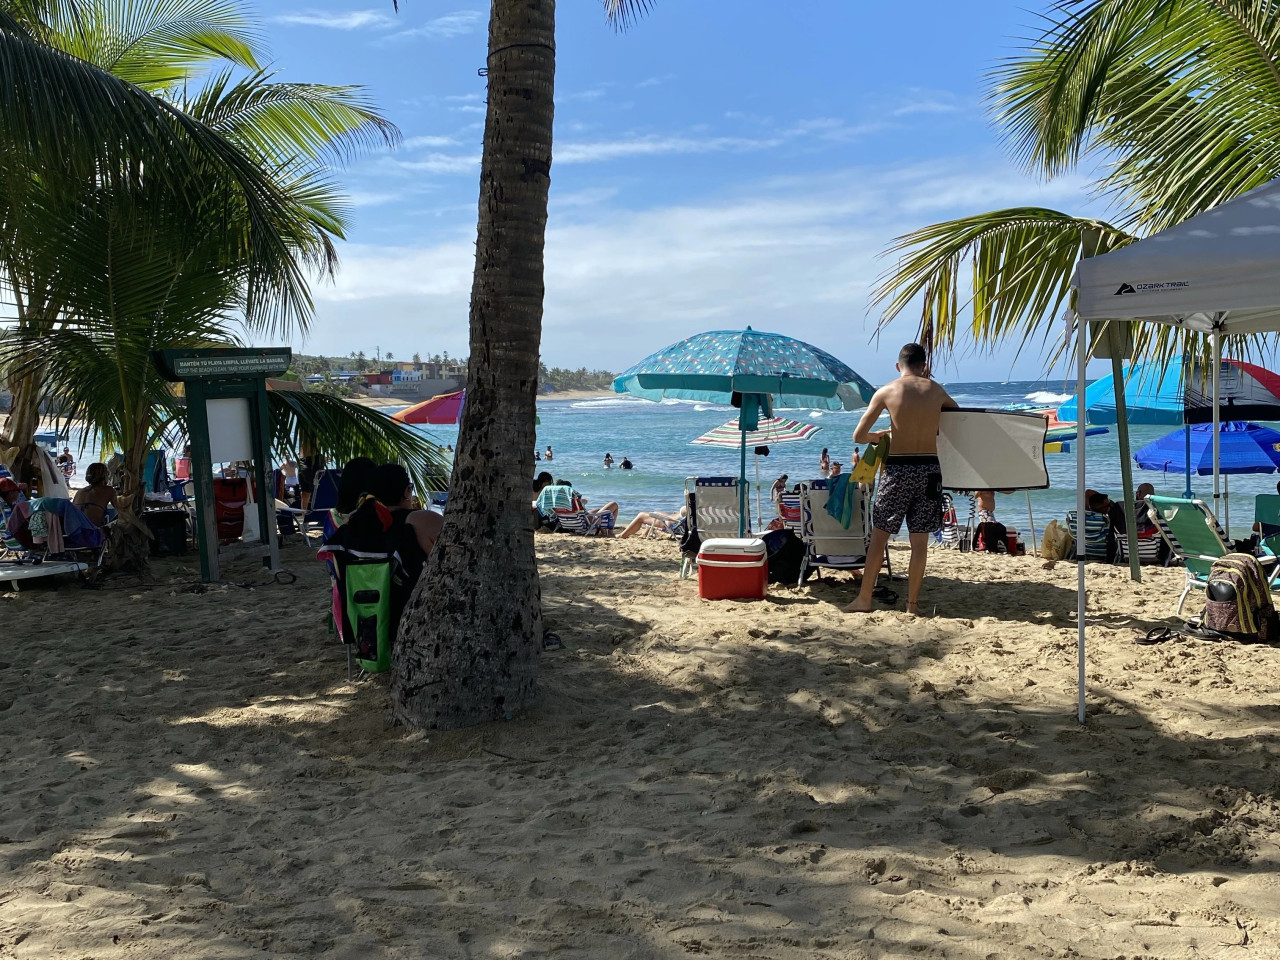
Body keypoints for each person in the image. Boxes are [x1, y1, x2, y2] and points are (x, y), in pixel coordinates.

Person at [845, 343, 957, 616]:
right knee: (919, 543)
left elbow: (859, 436)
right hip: (929, 469)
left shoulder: (887, 391)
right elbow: (960, 421)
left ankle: (864, 600)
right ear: (924, 365)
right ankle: (913, 605)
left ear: (898, 366)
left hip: (899, 469)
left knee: (880, 537)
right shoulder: (937, 390)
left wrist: (878, 436)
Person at [370, 463, 443, 613]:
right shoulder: (422, 520)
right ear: (406, 492)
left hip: (369, 612)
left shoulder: (359, 522)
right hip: (413, 610)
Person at [72, 462, 118, 528]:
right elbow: (122, 510)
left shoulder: (80, 491)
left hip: (75, 533)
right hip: (92, 533)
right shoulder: (109, 490)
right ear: (105, 476)